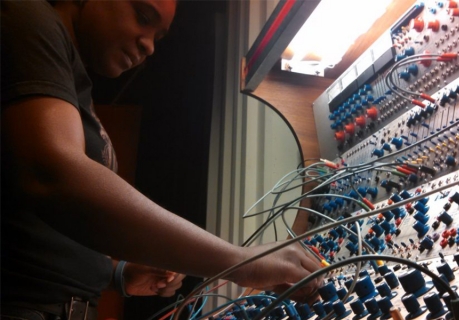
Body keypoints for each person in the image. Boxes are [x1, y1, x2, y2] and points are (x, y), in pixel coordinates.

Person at [1, 1, 322, 319]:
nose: (149, 46)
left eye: (159, 36)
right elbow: (54, 177)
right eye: (142, 16)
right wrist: (241, 261)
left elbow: (39, 229)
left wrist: (117, 274)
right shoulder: (28, 18)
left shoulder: (73, 82)